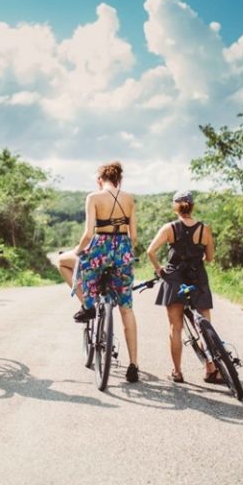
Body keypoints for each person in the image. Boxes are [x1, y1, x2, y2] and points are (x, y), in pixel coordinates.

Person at [72, 161, 140, 383]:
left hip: (99, 249)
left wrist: (78, 250)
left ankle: (88, 306)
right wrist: (123, 251)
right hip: (123, 250)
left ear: (100, 180)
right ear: (119, 180)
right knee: (126, 309)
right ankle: (134, 364)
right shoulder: (129, 199)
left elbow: (88, 234)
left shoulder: (93, 197)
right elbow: (134, 236)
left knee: (73, 268)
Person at [147, 190, 219, 383]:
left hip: (174, 279)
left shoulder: (169, 228)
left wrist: (159, 269)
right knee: (205, 327)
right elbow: (210, 258)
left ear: (175, 206)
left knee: (175, 328)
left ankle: (177, 372)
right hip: (198, 279)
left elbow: (150, 251)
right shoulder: (204, 229)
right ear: (192, 206)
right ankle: (211, 369)